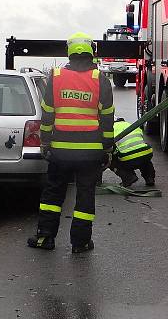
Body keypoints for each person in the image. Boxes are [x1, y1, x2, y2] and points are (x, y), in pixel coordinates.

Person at [27, 32, 115, 253]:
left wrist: (45, 143)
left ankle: (44, 238)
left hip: (60, 151)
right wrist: (108, 148)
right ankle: (81, 242)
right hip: (90, 153)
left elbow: (47, 115)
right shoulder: (100, 80)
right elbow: (107, 119)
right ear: (90, 51)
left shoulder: (55, 77)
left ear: (70, 52)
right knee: (85, 197)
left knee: (53, 194)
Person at [110, 117, 155, 188]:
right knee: (145, 160)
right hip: (146, 152)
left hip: (128, 158)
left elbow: (110, 147)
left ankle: (128, 177)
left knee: (111, 160)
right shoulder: (131, 125)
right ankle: (149, 178)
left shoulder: (111, 129)